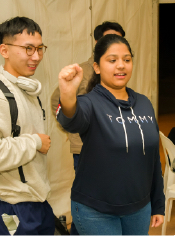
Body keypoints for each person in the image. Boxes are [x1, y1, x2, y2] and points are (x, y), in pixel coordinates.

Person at [56, 34, 165, 235]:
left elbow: (152, 158)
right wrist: (68, 94)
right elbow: (70, 120)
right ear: (97, 67)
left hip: (139, 209)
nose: (121, 66)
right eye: (112, 60)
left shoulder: (144, 103)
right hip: (96, 210)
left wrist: (157, 203)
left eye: (126, 59)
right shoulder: (90, 103)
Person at [0, 16, 55, 235]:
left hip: (37, 201)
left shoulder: (26, 90)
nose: (36, 56)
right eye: (28, 49)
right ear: (4, 50)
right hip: (11, 207)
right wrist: (34, 142)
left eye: (40, 48)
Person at [51, 21, 125, 235]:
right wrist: (70, 127)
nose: (113, 43)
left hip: (113, 149)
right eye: (108, 38)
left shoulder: (119, 72)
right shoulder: (80, 71)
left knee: (108, 200)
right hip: (84, 149)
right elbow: (57, 99)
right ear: (96, 42)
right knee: (87, 201)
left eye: (119, 39)